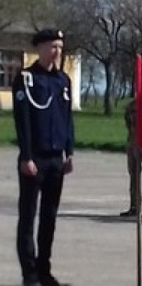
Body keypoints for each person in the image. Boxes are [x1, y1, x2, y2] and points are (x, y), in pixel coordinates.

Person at [13, 29, 75, 286]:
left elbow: (67, 118)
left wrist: (69, 151)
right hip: (34, 157)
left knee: (49, 217)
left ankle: (44, 269)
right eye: (52, 46)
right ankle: (29, 273)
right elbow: (23, 121)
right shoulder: (27, 79)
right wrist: (27, 156)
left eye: (60, 47)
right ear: (39, 48)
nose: (57, 52)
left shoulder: (63, 80)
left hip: (55, 158)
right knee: (28, 216)